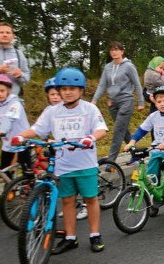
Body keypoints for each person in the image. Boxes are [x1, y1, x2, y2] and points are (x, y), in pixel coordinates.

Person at [12, 67, 108, 254]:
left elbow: (101, 129)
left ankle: (95, 234)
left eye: (72, 88)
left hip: (85, 164)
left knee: (90, 199)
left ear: (80, 90)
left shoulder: (89, 109)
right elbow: (37, 129)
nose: (67, 92)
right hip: (63, 165)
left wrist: (91, 139)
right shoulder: (52, 111)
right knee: (67, 201)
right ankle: (70, 237)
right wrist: (21, 136)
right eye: (63, 88)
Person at [0, 22, 30, 172]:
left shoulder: (18, 54)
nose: (5, 35)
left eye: (8, 32)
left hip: (13, 102)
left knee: (13, 138)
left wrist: (20, 75)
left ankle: (10, 174)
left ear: (13, 36)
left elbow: (27, 78)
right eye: (1, 32)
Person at [124, 86, 164, 200]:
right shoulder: (153, 116)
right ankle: (154, 197)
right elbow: (142, 130)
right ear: (155, 103)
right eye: (159, 101)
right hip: (156, 150)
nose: (162, 104)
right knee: (151, 175)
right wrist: (132, 142)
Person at [92, 41, 144, 163]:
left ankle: (111, 161)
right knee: (123, 130)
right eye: (112, 50)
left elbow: (137, 83)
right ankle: (135, 153)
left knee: (117, 130)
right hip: (113, 103)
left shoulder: (129, 66)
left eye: (117, 49)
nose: (114, 52)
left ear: (122, 51)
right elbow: (102, 85)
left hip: (126, 101)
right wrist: (94, 100)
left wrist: (140, 102)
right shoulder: (108, 67)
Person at [44, 77, 88, 220]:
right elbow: (40, 130)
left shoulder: (79, 108)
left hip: (79, 154)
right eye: (53, 95)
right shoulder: (50, 111)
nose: (55, 98)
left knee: (82, 185)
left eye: (57, 94)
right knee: (61, 180)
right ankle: (70, 204)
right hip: (60, 152)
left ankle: (84, 205)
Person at [0, 74, 31, 179]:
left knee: (27, 171)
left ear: (9, 90)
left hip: (21, 142)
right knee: (4, 170)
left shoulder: (15, 104)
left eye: (2, 91)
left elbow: (9, 118)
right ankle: (10, 192)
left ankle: (33, 191)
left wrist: (1, 131)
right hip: (7, 144)